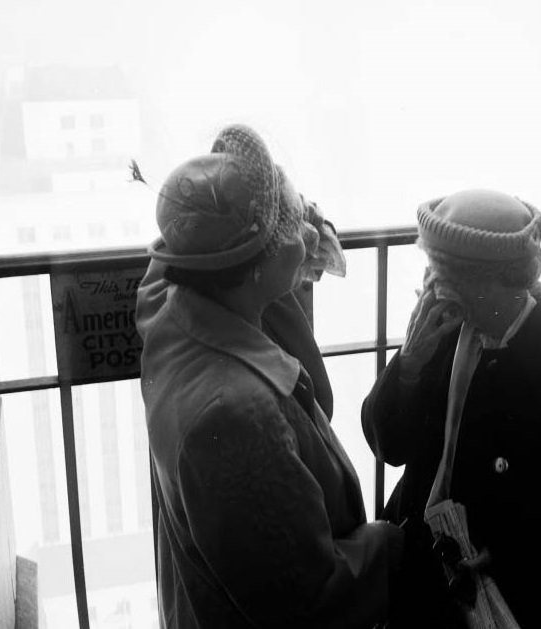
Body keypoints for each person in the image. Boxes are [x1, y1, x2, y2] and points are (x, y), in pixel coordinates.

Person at [136, 125, 402, 628]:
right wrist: (395, 546)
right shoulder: (238, 417)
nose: (305, 235)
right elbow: (310, 600)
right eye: (289, 227)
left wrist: (235, 185)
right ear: (254, 269)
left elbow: (178, 242)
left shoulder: (166, 305)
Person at [361, 189, 541, 629]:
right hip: (422, 589)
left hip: (522, 601)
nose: (430, 290)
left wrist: (514, 548)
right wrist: (408, 368)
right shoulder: (438, 337)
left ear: (490, 280)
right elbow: (389, 445)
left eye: (440, 276)